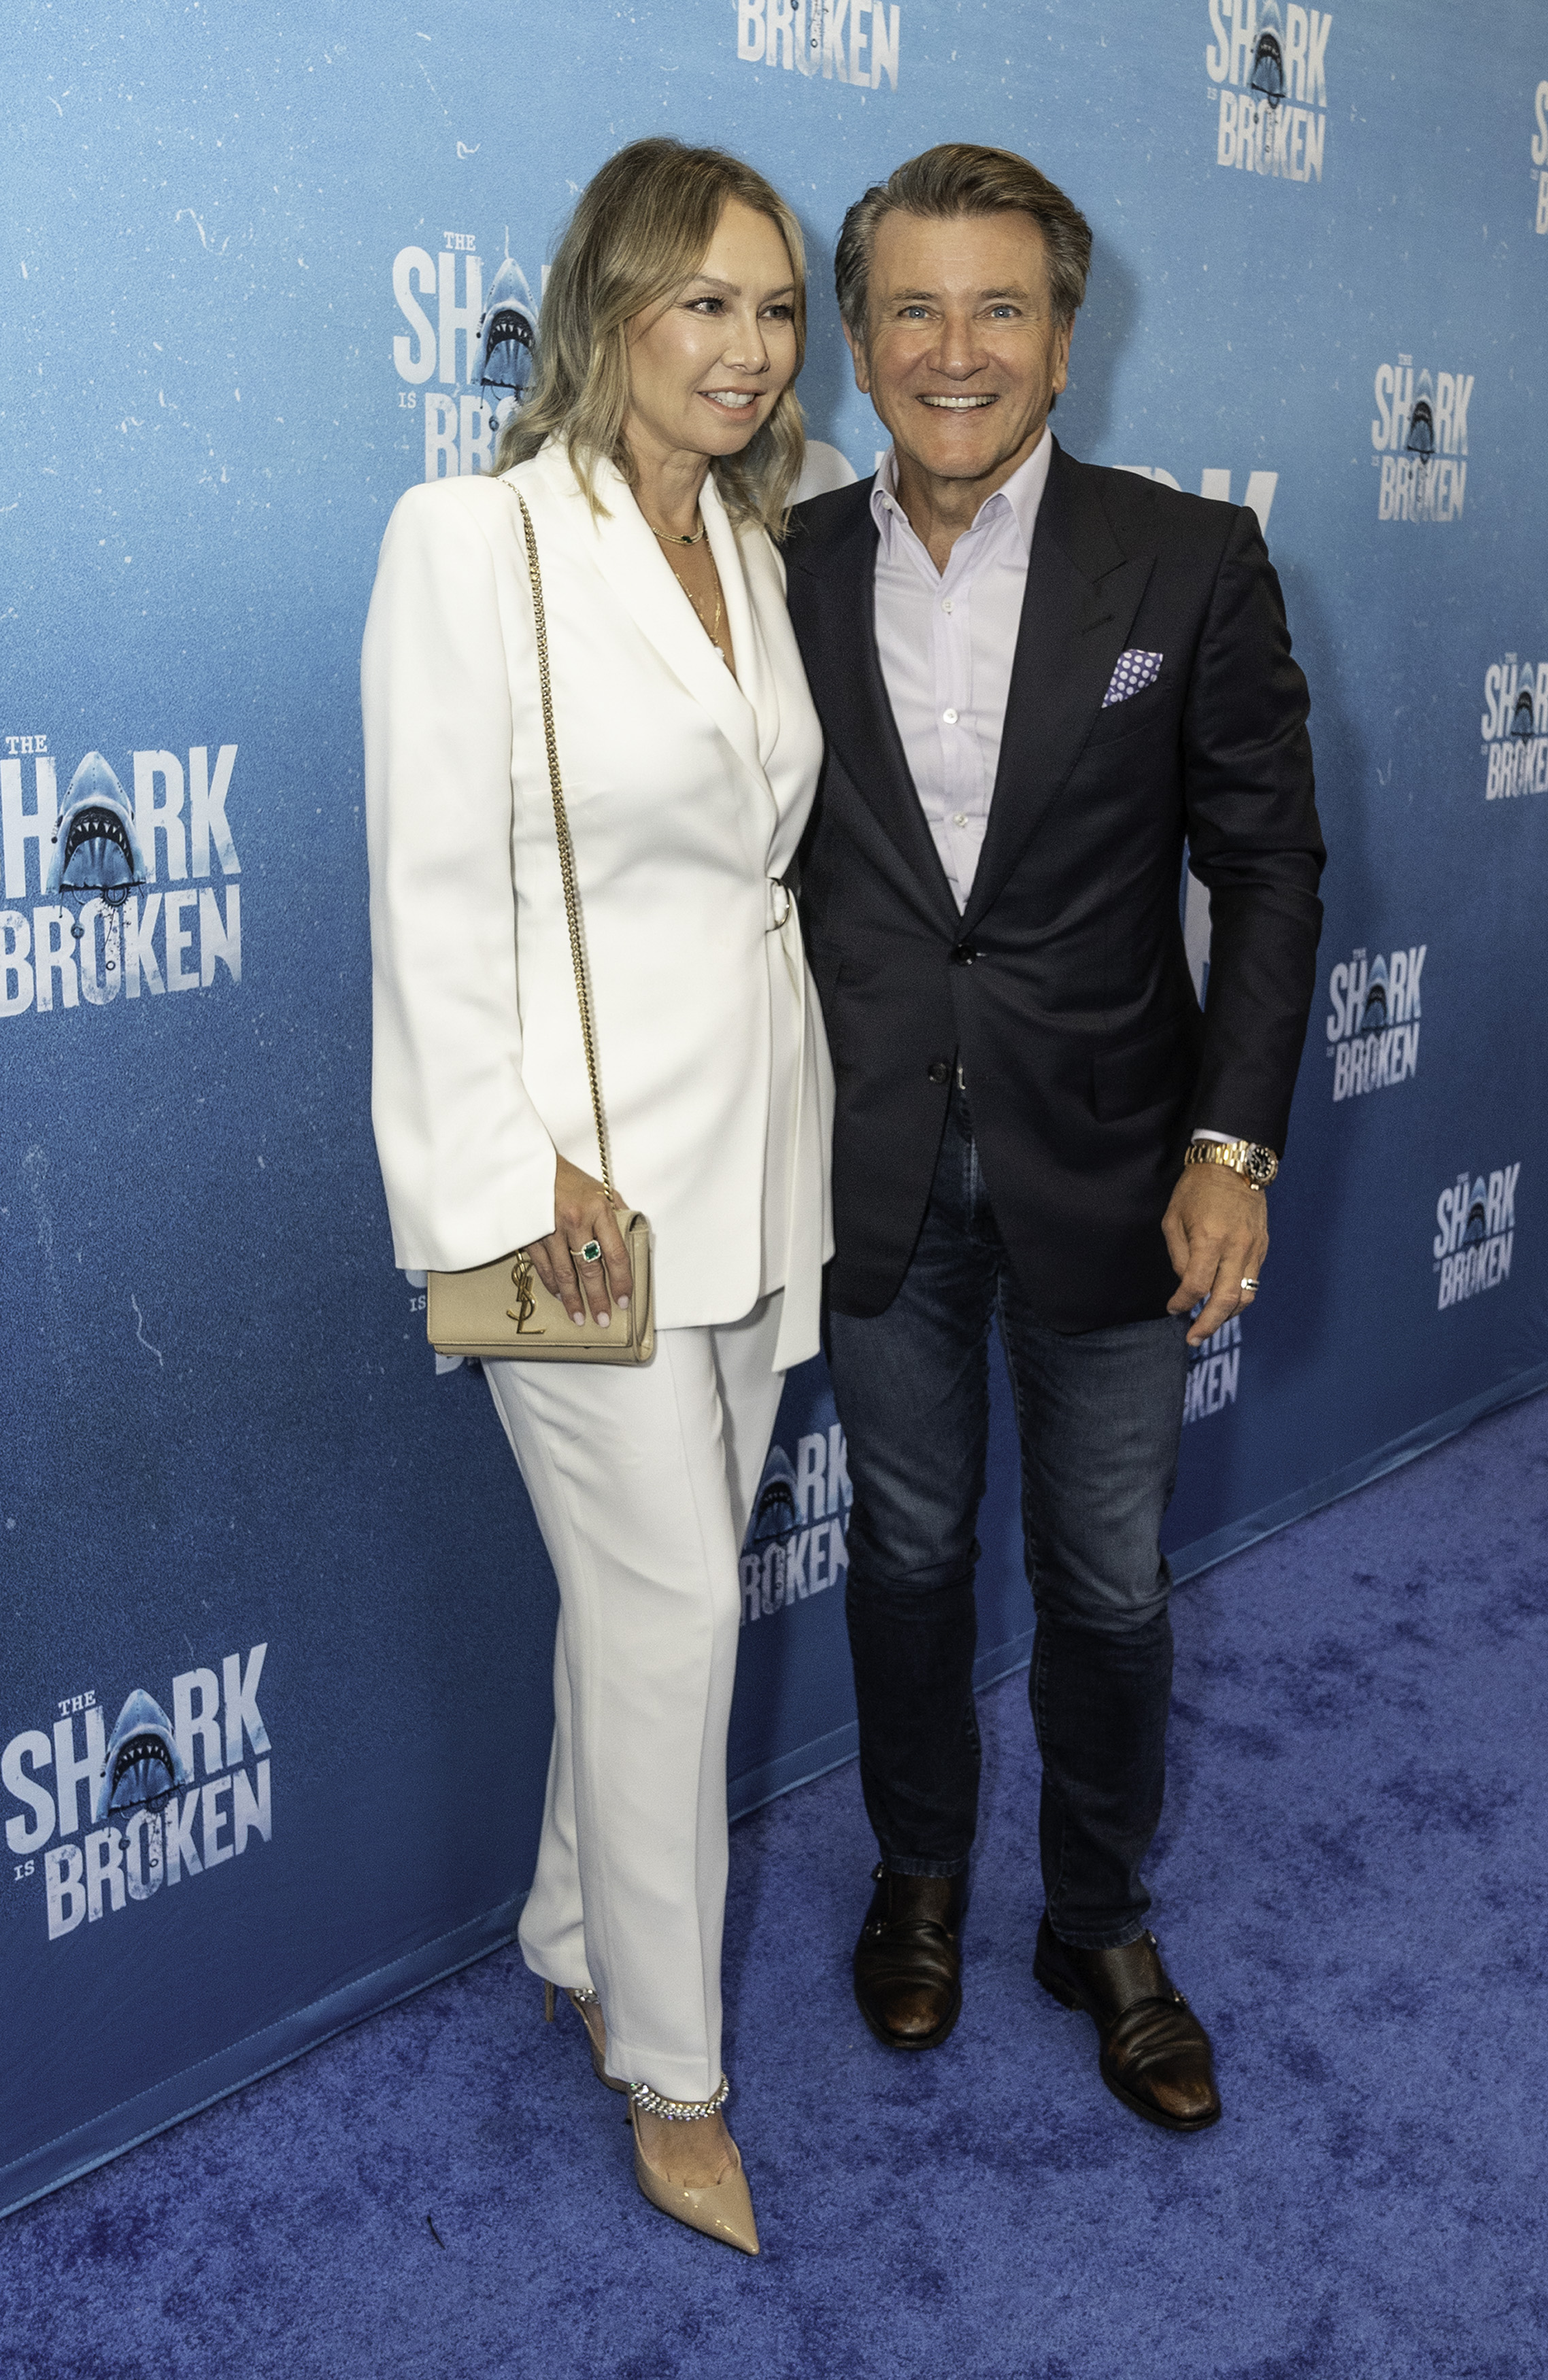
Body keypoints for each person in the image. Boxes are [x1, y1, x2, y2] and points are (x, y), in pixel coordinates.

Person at [785, 145, 1325, 2131]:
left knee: (1104, 1579)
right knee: (910, 1550)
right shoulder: (777, 570)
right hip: (860, 1171)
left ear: (1065, 342)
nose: (952, 351)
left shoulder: (1182, 563)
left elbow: (1266, 873)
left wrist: (1231, 1147)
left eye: (995, 308)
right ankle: (918, 1874)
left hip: (1115, 1165)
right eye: (909, 309)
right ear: (852, 340)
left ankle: (1093, 1912)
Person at [362, 137, 832, 2251]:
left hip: (760, 1154)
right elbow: (431, 894)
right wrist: (500, 1161)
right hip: (569, 1193)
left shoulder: (763, 534)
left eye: (772, 308)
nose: (743, 349)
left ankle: (568, 1916)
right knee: (673, 1611)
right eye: (702, 302)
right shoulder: (471, 541)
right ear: (607, 305)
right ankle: (670, 2062)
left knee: (655, 1600)